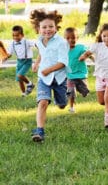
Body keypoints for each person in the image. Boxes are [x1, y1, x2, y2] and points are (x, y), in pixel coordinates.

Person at [30, 9, 69, 142]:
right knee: (43, 102)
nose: (48, 30)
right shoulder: (39, 41)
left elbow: (63, 62)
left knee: (62, 104)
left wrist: (49, 70)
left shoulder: (62, 43)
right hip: (43, 78)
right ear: (38, 28)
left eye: (51, 26)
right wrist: (37, 63)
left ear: (56, 27)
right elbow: (42, 53)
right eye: (44, 27)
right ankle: (39, 131)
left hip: (59, 78)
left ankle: (66, 97)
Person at [79, 23, 108, 128]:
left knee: (107, 97)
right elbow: (88, 53)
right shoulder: (97, 46)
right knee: (101, 101)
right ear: (101, 36)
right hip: (100, 77)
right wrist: (83, 56)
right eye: (104, 36)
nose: (107, 38)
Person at [64, 27, 90, 113]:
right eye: (68, 38)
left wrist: (90, 58)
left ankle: (83, 90)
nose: (71, 40)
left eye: (73, 38)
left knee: (84, 92)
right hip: (70, 75)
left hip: (81, 74)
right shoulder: (64, 50)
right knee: (71, 91)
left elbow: (89, 52)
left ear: (77, 38)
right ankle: (71, 107)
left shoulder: (81, 47)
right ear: (65, 39)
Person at [5, 25, 35, 96]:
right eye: (13, 36)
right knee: (19, 80)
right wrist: (6, 57)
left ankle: (30, 84)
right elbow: (9, 53)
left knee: (20, 75)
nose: (15, 37)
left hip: (27, 61)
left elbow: (35, 44)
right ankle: (23, 93)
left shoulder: (26, 41)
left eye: (17, 35)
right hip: (19, 62)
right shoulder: (12, 43)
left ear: (22, 35)